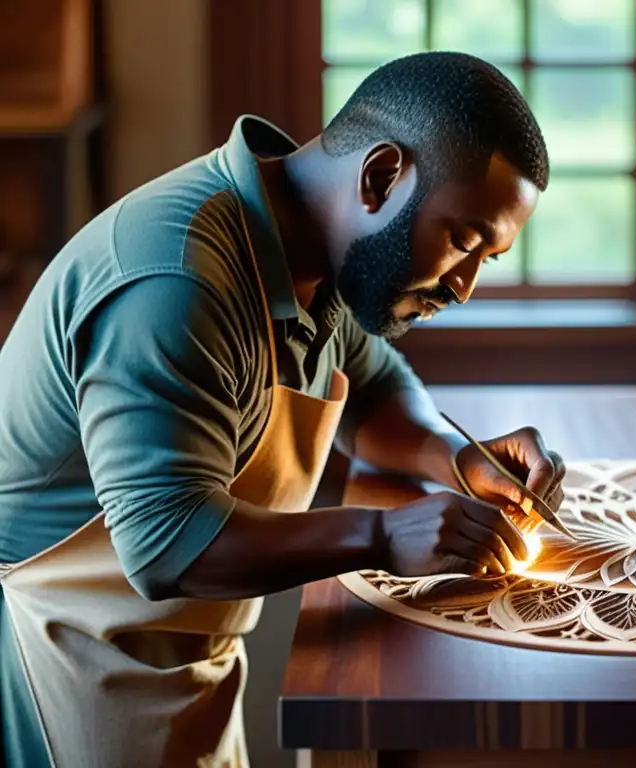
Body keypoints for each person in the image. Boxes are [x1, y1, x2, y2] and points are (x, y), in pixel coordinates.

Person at [0, 51, 565, 767]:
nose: (463, 288)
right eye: (463, 242)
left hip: (180, 652)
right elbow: (168, 541)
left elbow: (372, 385)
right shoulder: (175, 283)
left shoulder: (313, 249)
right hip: (62, 665)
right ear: (381, 177)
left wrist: (456, 459)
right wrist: (385, 537)